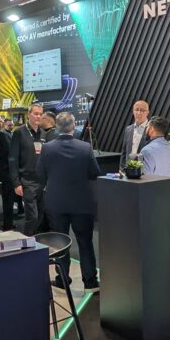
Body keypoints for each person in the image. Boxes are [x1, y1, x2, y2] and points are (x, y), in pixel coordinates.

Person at [36, 112, 100, 292]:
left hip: (57, 203)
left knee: (60, 242)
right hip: (82, 203)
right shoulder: (85, 147)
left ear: (57, 127)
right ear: (73, 127)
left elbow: (39, 173)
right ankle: (90, 282)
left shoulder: (47, 148)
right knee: (85, 242)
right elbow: (94, 173)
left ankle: (63, 280)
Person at [9, 104, 46, 236]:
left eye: (40, 114)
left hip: (42, 181)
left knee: (41, 216)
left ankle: (34, 241)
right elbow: (12, 159)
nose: (38, 116)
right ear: (29, 114)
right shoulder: (19, 132)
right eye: (36, 113)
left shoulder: (43, 133)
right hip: (27, 181)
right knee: (32, 217)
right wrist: (16, 183)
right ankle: (26, 242)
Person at [120, 100, 151, 169]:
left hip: (145, 170)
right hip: (128, 169)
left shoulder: (151, 129)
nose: (139, 113)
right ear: (133, 111)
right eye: (137, 109)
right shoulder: (128, 129)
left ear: (147, 112)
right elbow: (124, 152)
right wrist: (121, 169)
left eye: (142, 110)